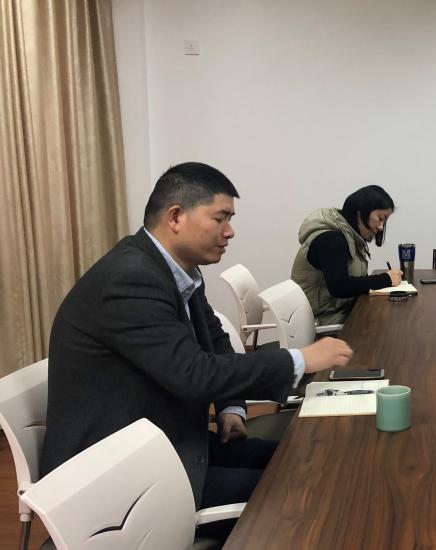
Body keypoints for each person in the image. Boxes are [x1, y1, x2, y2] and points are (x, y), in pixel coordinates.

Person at [41, 162, 354, 521]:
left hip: (170, 441)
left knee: (310, 462)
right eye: (220, 218)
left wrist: (231, 407)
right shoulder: (130, 278)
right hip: (117, 476)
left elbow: (215, 341)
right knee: (308, 488)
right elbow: (194, 374)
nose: (230, 231)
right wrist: (300, 360)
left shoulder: (179, 268)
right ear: (176, 217)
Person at [291, 185, 402, 326]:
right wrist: (385, 279)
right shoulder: (330, 240)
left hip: (339, 314)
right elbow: (339, 286)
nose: (381, 227)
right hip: (321, 324)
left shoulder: (350, 236)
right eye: (380, 218)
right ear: (360, 212)